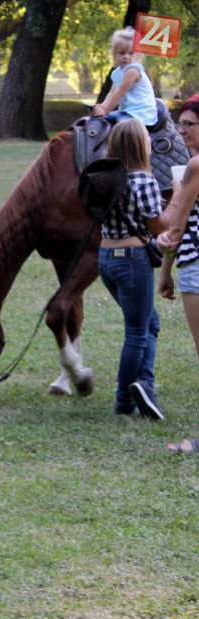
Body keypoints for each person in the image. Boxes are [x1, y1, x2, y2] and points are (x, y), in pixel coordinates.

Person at [97, 118, 166, 419]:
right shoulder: (143, 181)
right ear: (140, 145)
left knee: (149, 323)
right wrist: (175, 200)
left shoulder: (104, 177)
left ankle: (144, 383)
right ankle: (125, 399)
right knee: (138, 332)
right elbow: (159, 227)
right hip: (133, 259)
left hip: (106, 258)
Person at [157, 94, 199, 452]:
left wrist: (161, 243)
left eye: (188, 124)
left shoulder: (196, 166)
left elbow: (175, 226)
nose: (181, 130)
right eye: (180, 123)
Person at [90, 27, 157, 127]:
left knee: (121, 127)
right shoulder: (117, 72)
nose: (126, 57)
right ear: (114, 54)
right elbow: (112, 93)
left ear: (137, 55)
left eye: (131, 53)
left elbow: (119, 93)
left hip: (141, 113)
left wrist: (105, 111)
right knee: (102, 122)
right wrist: (102, 107)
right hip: (127, 112)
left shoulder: (133, 70)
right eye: (122, 53)